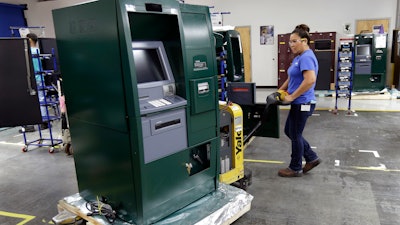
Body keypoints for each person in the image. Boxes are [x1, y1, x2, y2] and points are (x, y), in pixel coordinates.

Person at [277, 24, 321, 177]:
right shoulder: (299, 58)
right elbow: (291, 78)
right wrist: (280, 91)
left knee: (294, 133)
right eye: (290, 42)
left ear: (304, 41)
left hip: (303, 102)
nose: (291, 45)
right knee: (290, 131)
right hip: (298, 102)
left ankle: (295, 167)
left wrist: (291, 96)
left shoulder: (307, 57)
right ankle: (311, 157)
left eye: (294, 41)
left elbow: (310, 81)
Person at [27, 33, 48, 130]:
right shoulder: (39, 51)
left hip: (33, 80)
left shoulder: (28, 53)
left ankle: (31, 124)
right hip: (41, 78)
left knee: (32, 102)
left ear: (30, 40)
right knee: (42, 100)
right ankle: (44, 122)